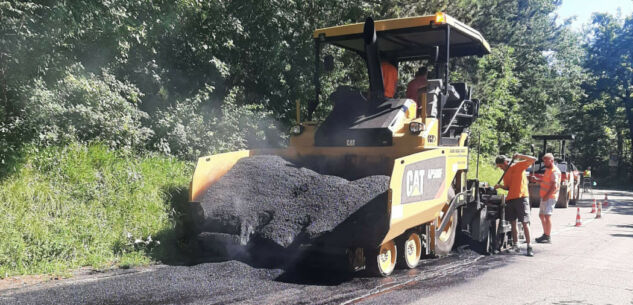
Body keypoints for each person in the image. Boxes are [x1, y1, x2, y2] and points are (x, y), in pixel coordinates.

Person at [494, 153, 536, 256]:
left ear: (505, 162)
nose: (500, 169)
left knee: (525, 223)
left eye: (501, 166)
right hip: (511, 199)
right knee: (513, 223)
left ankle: (529, 246)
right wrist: (500, 186)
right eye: (499, 167)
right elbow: (508, 187)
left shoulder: (518, 166)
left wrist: (520, 155)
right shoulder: (505, 173)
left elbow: (534, 159)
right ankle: (516, 245)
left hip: (521, 197)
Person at [533, 153, 561, 243]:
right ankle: (545, 234)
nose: (544, 162)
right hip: (545, 196)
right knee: (542, 215)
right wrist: (537, 180)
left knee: (547, 216)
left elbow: (554, 186)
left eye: (546, 160)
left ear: (552, 161)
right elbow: (546, 181)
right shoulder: (548, 170)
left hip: (550, 197)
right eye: (544, 160)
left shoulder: (554, 171)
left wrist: (546, 196)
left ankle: (547, 236)